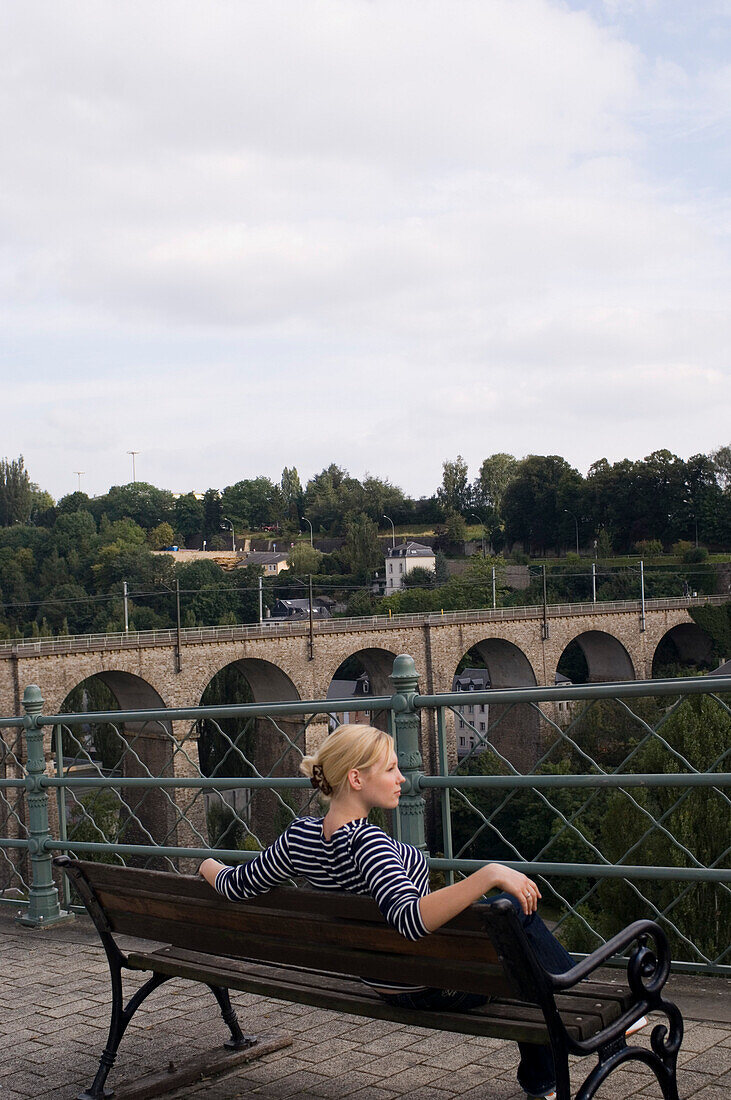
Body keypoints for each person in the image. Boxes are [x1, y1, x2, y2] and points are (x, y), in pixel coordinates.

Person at [199, 723, 574, 1100]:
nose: (402, 778)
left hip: (383, 981)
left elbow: (237, 885)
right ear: (356, 778)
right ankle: (581, 1004)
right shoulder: (368, 842)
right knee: (510, 916)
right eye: (391, 769)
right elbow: (410, 920)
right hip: (430, 986)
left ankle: (543, 1084)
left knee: (511, 945)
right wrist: (488, 875)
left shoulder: (299, 837)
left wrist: (206, 865)